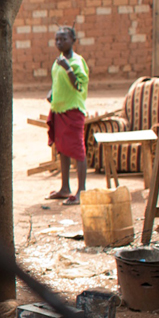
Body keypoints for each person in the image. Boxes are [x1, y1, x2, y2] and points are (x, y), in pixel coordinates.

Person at [46, 26, 90, 205]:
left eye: (63, 39)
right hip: (59, 109)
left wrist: (68, 69)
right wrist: (52, 93)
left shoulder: (76, 62)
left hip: (73, 110)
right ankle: (65, 188)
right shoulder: (58, 61)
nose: (59, 43)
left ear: (73, 41)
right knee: (62, 148)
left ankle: (81, 191)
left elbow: (79, 86)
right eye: (57, 39)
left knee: (77, 151)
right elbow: (58, 82)